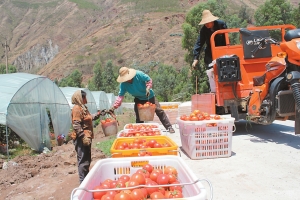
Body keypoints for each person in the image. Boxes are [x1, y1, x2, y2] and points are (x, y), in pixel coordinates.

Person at [110, 67, 175, 133]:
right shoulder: (123, 84)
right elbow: (120, 96)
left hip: (149, 96)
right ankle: (139, 132)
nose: (127, 80)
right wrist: (114, 106)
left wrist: (148, 88)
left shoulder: (138, 74)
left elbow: (149, 80)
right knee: (139, 116)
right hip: (138, 98)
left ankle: (169, 127)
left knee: (159, 111)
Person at [71, 90, 106, 184]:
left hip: (86, 137)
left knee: (86, 160)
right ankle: (83, 183)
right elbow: (76, 124)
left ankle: (86, 180)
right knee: (83, 161)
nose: (86, 99)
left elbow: (89, 118)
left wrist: (99, 114)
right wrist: (83, 137)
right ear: (80, 98)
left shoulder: (83, 108)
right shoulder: (77, 109)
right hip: (81, 139)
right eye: (85, 97)